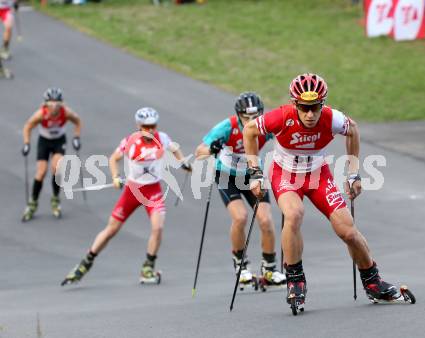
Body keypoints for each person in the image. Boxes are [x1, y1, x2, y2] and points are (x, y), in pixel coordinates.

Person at [243, 73, 403, 311]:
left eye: (315, 107)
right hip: (285, 174)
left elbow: (353, 131)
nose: (310, 114)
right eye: (305, 108)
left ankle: (373, 282)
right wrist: (254, 172)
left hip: (318, 175)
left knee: (347, 231)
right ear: (295, 104)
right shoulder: (282, 116)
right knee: (294, 214)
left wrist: (353, 173)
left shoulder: (331, 118)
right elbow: (249, 130)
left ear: (322, 104)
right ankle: (295, 279)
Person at [61, 107, 192, 286]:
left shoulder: (162, 138)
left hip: (153, 191)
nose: (151, 130)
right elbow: (114, 158)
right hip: (133, 191)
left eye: (153, 125)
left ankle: (148, 268)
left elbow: (175, 148)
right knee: (111, 230)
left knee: (157, 227)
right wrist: (115, 177)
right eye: (146, 126)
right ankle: (85, 263)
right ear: (139, 126)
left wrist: (182, 162)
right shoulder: (130, 141)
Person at [195, 92, 286, 288]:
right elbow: (199, 152)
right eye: (247, 117)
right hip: (227, 176)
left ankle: (269, 269)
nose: (252, 121)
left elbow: (282, 138)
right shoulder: (226, 127)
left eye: (256, 116)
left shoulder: (264, 125)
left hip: (252, 175)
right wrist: (212, 148)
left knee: (266, 219)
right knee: (240, 217)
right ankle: (241, 265)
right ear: (238, 115)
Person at [22, 88, 82, 221]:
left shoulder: (65, 112)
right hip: (44, 141)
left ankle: (55, 199)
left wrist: (76, 138)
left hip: (59, 141)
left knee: (56, 168)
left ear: (61, 103)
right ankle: (33, 203)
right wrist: (27, 143)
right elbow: (28, 126)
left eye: (57, 102)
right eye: (51, 102)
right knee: (41, 172)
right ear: (46, 103)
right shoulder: (41, 114)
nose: (54, 105)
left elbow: (77, 121)